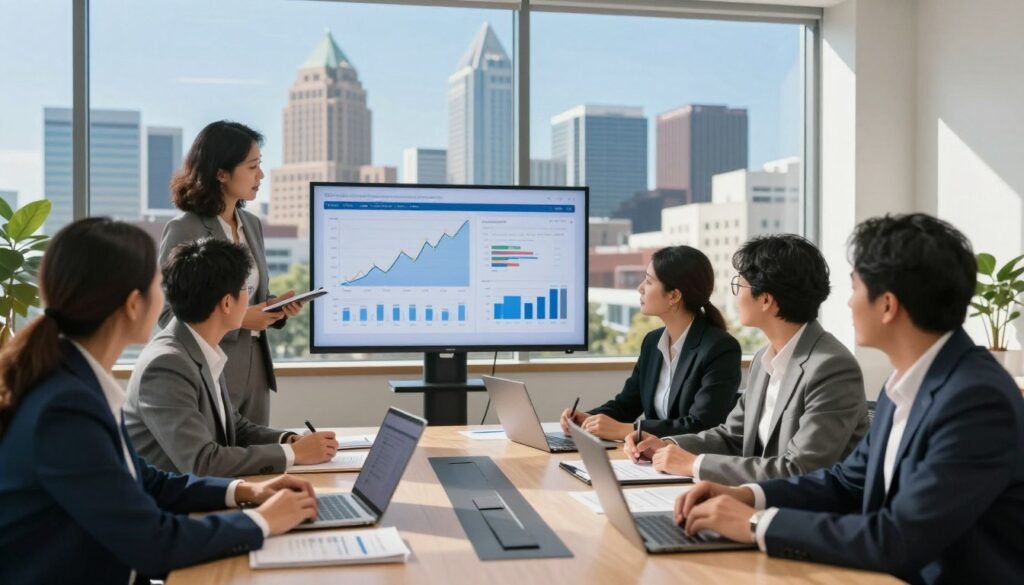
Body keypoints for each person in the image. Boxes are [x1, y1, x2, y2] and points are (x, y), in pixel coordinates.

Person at [674, 214, 1024, 584]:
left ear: (887, 306)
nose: (848, 304)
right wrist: (747, 495)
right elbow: (845, 482)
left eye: (856, 289)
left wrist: (755, 523)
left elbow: (898, 538)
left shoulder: (975, 400)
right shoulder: (905, 382)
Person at [0, 218, 318, 584]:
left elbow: (147, 481)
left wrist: (247, 491)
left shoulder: (76, 382)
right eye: (156, 284)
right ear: (134, 304)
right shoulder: (65, 408)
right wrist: (263, 521)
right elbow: (153, 542)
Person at [624, 235, 868, 483]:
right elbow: (732, 437)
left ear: (765, 300)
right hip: (756, 499)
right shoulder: (765, 358)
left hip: (807, 512)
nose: (735, 296)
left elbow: (799, 469)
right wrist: (666, 444)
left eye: (738, 286)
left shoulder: (831, 367)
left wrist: (694, 464)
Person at [125, 238, 338, 476]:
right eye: (246, 290)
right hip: (173, 506)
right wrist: (295, 455)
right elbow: (202, 462)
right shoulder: (166, 365)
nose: (251, 298)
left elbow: (234, 427)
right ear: (227, 303)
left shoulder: (198, 347)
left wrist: (289, 440)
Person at [162, 120, 303, 425]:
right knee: (221, 463)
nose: (261, 175)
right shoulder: (185, 228)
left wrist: (275, 309)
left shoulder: (251, 224)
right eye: (252, 167)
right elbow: (166, 315)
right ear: (221, 172)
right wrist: (241, 319)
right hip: (212, 369)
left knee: (259, 462)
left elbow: (250, 297)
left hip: (256, 369)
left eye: (260, 165)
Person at [560, 246, 741, 440]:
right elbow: (627, 404)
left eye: (648, 281)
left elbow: (701, 425)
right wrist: (589, 418)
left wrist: (628, 430)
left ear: (674, 295)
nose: (640, 288)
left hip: (691, 462)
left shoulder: (720, 348)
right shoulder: (653, 342)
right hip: (652, 460)